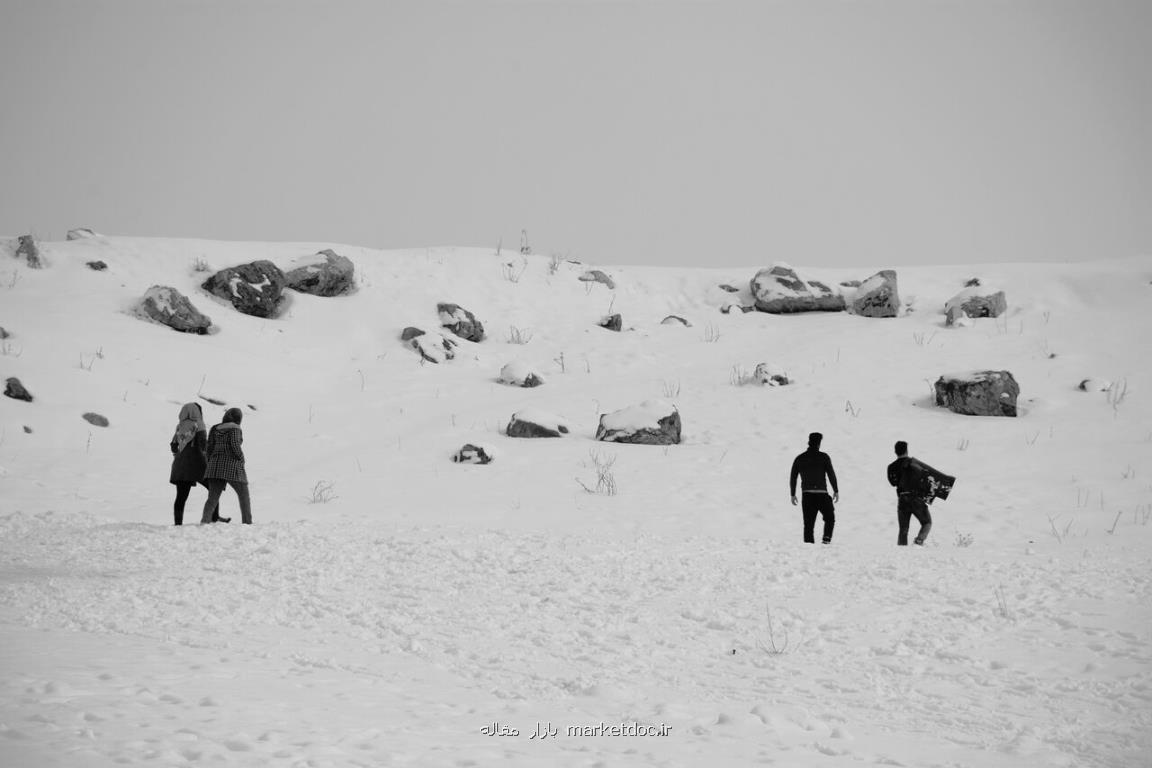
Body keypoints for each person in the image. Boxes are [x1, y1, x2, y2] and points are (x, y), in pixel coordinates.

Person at [169, 402, 228, 525]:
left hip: (179, 466)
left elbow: (174, 447)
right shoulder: (199, 425)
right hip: (197, 464)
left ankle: (178, 524)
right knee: (214, 488)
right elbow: (203, 445)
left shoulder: (179, 426)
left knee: (181, 496)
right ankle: (214, 517)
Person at [201, 407, 252, 525]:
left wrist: (210, 462)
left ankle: (205, 521)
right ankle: (247, 523)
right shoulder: (235, 429)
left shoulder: (214, 428)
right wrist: (241, 458)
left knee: (212, 498)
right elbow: (235, 445)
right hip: (232, 466)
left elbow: (209, 447)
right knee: (243, 494)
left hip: (214, 466)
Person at [789, 432, 839, 544]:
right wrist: (836, 490)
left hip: (807, 495)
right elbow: (831, 474)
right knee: (830, 518)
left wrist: (793, 494)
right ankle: (826, 540)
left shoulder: (800, 458)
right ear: (819, 443)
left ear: (809, 442)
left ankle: (808, 548)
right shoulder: (824, 457)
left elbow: (793, 477)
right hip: (822, 494)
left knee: (808, 525)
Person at [886, 440, 936, 546]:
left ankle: (902, 553)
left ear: (895, 452)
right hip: (916, 498)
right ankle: (919, 540)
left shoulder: (891, 467)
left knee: (903, 530)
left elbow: (892, 482)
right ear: (906, 450)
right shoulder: (914, 464)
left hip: (902, 498)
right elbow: (925, 478)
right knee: (927, 522)